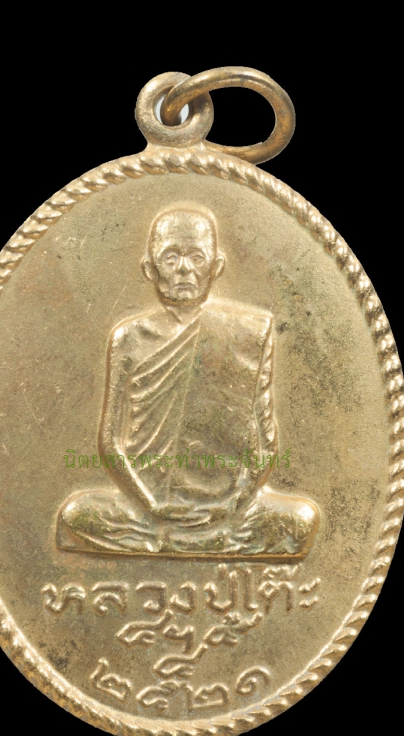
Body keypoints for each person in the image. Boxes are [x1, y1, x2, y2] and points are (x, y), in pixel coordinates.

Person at [57, 204, 318, 557]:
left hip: (225, 508)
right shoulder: (129, 337)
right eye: (170, 257)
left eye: (197, 257)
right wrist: (151, 505)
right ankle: (191, 540)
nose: (184, 269)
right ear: (150, 268)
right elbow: (110, 442)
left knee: (301, 521)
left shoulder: (249, 333)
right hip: (145, 507)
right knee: (76, 514)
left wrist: (232, 504)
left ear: (216, 266)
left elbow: (266, 442)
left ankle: (176, 541)